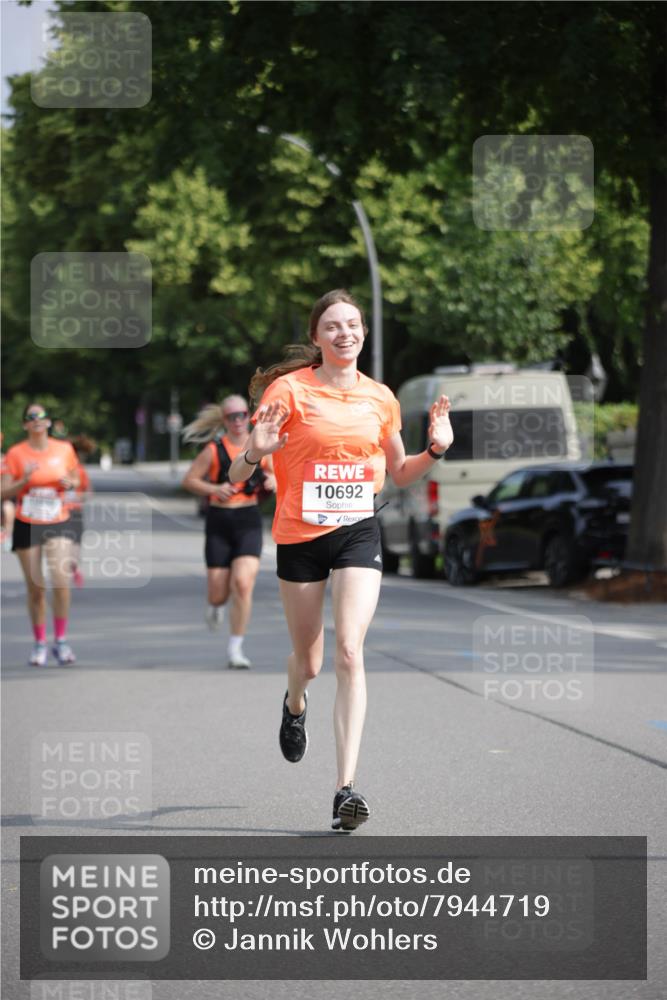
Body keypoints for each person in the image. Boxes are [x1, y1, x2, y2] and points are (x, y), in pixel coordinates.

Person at [229, 289, 454, 832]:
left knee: (350, 651)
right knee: (309, 662)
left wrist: (436, 450)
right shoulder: (289, 391)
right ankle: (295, 703)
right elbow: (237, 476)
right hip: (299, 536)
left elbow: (399, 473)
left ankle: (344, 790)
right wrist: (256, 451)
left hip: (357, 531)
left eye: (352, 324)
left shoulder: (380, 397)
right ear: (316, 336)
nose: (344, 333)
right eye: (332, 325)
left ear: (363, 333)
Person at [182, 395, 275, 669]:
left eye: (242, 414)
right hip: (219, 520)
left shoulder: (260, 446)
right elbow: (189, 480)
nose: (238, 420)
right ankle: (215, 606)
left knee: (243, 584)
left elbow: (279, 473)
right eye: (232, 416)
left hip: (248, 518)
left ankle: (236, 648)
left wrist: (273, 479)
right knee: (218, 593)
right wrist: (214, 489)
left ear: (249, 416)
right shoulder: (214, 450)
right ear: (224, 420)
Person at [0, 404, 80, 666]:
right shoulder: (16, 453)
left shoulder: (64, 449)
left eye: (41, 416)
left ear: (48, 423)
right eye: (31, 417)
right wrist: (23, 481)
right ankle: (39, 643)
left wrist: (70, 483)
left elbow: (76, 479)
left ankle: (61, 640)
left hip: (58, 520)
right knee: (36, 588)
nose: (36, 420)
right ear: (25, 424)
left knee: (61, 581)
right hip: (27, 522)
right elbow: (3, 492)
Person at [64, 434, 96, 587]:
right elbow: (89, 493)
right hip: (65, 513)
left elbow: (88, 493)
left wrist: (72, 497)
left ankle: (72, 567)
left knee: (70, 543)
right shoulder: (77, 469)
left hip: (69, 512)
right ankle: (73, 567)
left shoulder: (74, 469)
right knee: (72, 543)